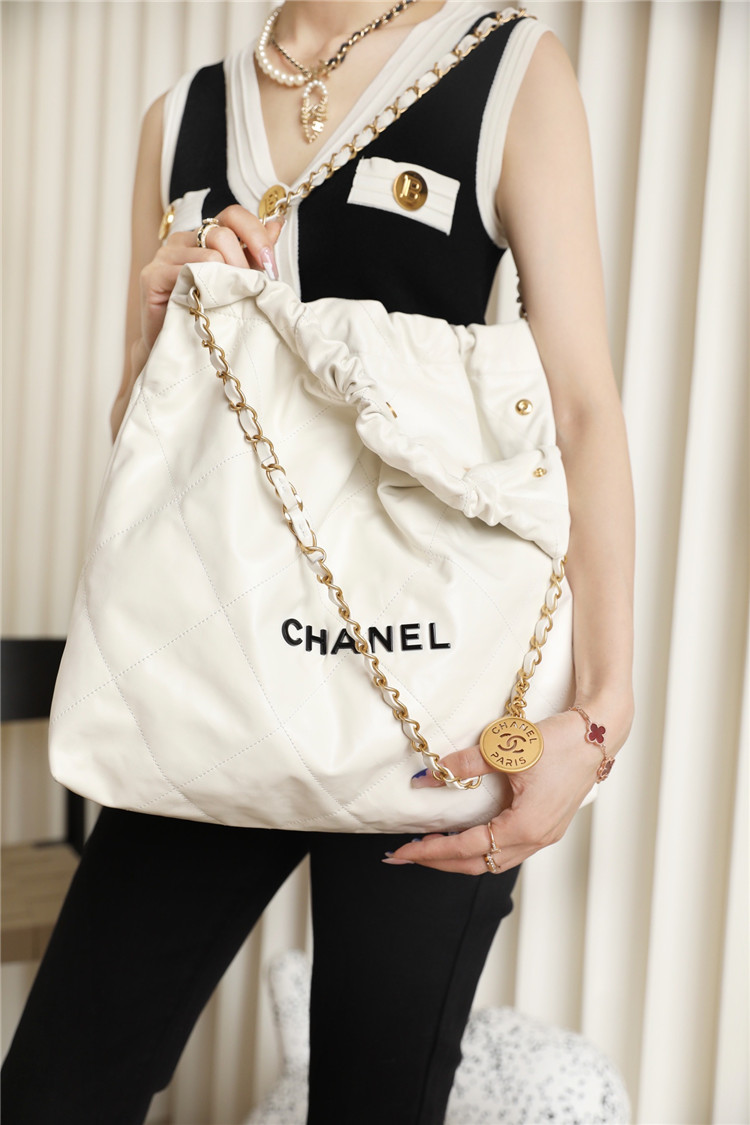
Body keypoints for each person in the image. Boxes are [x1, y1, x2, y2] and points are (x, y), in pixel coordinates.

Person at [1, 2, 635, 1122]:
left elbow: (580, 408)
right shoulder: (182, 118)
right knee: (59, 1089)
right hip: (213, 677)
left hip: (429, 697)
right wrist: (155, 318)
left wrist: (599, 717)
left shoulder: (505, 69)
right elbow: (151, 454)